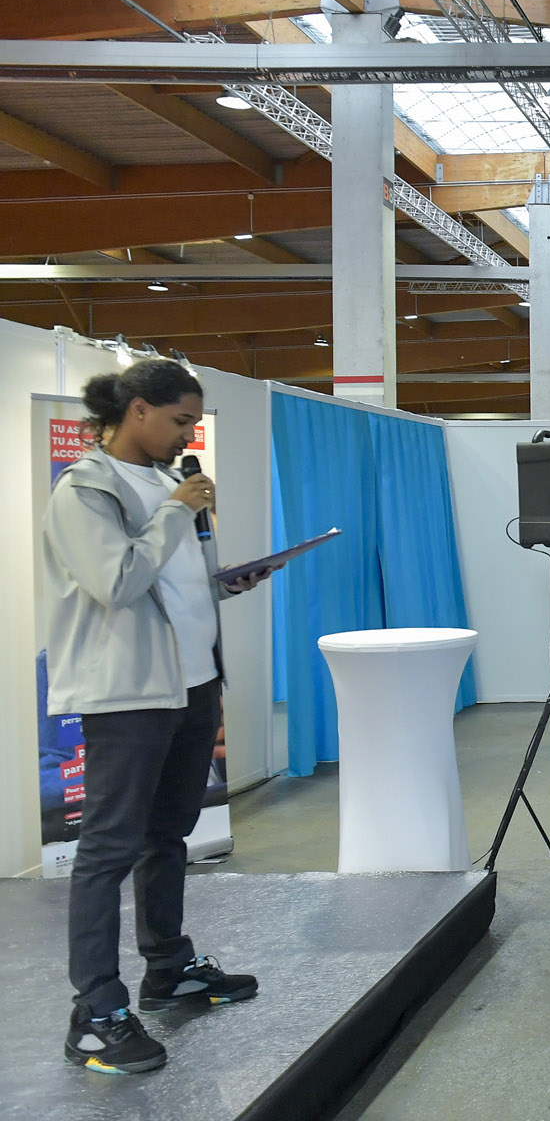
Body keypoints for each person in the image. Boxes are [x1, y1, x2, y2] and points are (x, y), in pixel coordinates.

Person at [44, 360, 269, 1075]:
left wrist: (228, 581)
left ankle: (168, 969)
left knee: (166, 834)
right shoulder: (86, 489)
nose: (186, 434)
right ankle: (97, 1013)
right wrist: (178, 509)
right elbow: (118, 583)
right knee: (108, 850)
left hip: (192, 686)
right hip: (129, 695)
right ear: (137, 410)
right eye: (178, 421)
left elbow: (174, 588)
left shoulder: (170, 489)